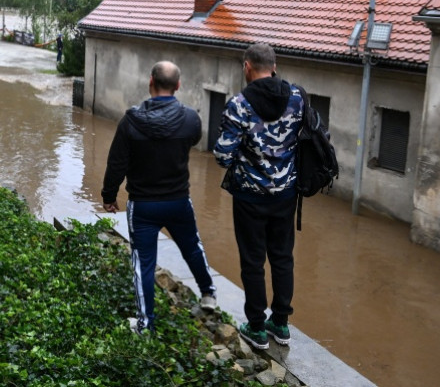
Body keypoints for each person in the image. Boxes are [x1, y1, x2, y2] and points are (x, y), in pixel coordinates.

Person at [102, 61, 217, 334]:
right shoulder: (191, 119)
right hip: (178, 201)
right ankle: (208, 294)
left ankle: (146, 326)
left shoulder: (131, 121)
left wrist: (109, 195)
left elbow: (116, 163)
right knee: (192, 246)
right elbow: (191, 141)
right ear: (178, 86)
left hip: (143, 205)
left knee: (143, 263)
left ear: (150, 82)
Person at [213, 43, 304, 350]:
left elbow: (223, 155)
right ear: (274, 67)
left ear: (247, 67)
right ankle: (280, 324)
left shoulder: (239, 104)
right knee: (282, 257)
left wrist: (246, 161)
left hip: (250, 196)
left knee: (253, 260)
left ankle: (256, 327)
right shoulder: (297, 97)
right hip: (286, 194)